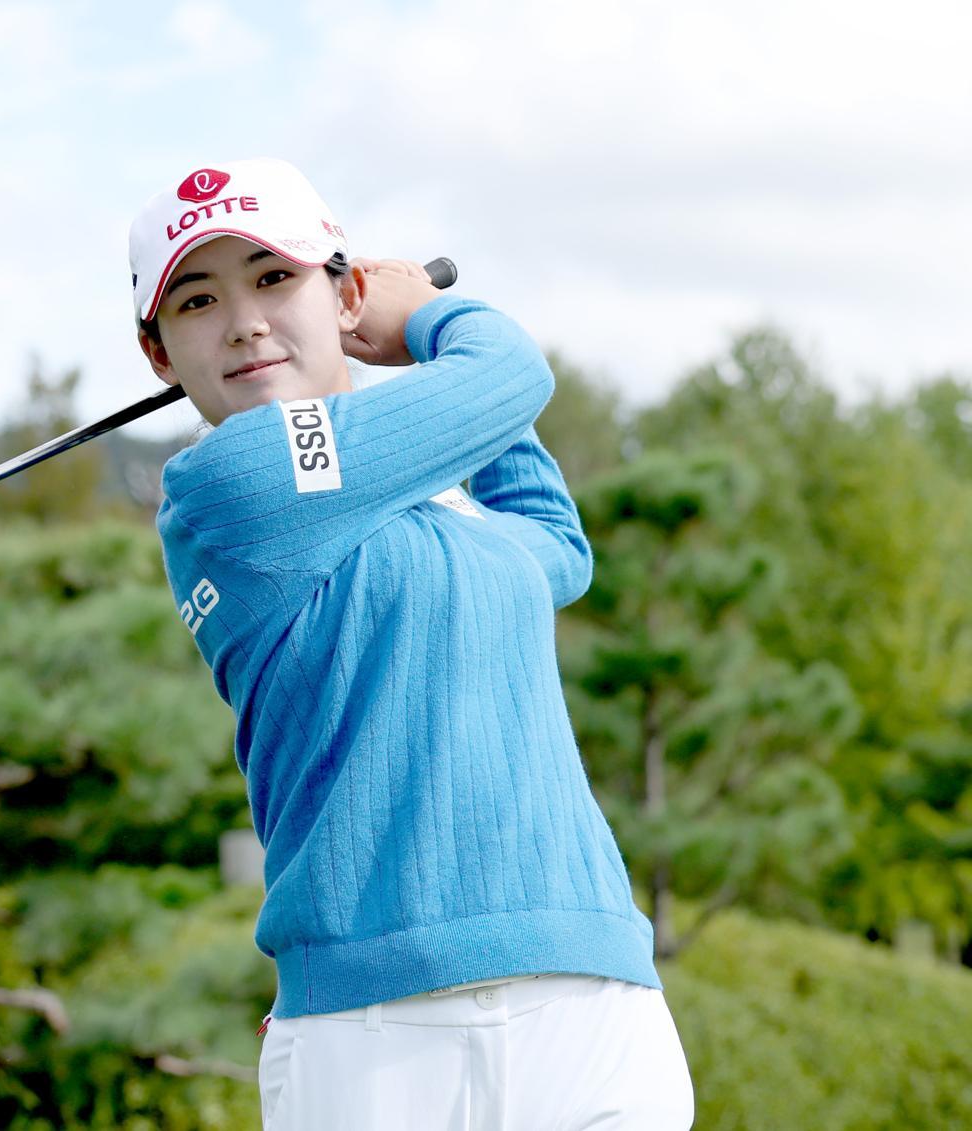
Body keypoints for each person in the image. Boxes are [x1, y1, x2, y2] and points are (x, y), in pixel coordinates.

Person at [128, 158, 694, 1130]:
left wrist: (439, 386)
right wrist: (429, 320)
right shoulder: (228, 485)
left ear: (344, 294)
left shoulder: (435, 499)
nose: (245, 322)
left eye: (274, 277)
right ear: (159, 353)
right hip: (376, 1030)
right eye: (198, 299)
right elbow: (511, 374)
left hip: (590, 995)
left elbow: (555, 550)